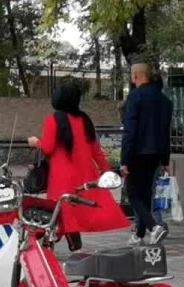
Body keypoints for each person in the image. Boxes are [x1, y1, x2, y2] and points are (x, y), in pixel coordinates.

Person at [27, 81, 126, 245]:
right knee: (76, 209)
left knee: (59, 210)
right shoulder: (85, 120)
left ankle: (52, 241)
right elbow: (96, 151)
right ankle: (69, 240)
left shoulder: (53, 120)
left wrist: (35, 142)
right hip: (85, 174)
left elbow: (48, 148)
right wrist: (106, 172)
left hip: (61, 175)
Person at [119, 63, 172, 246]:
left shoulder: (135, 96)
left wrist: (124, 159)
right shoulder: (165, 101)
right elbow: (166, 132)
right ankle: (139, 235)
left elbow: (130, 130)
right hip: (155, 153)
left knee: (132, 193)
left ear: (136, 76)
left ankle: (153, 227)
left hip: (137, 152)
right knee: (145, 195)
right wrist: (165, 159)